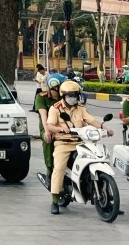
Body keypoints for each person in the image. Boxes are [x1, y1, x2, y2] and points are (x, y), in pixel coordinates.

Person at [45, 79, 113, 215]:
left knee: (97, 159)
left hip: (80, 143)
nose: (73, 98)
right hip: (63, 143)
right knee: (59, 168)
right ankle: (54, 200)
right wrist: (60, 130)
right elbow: (49, 125)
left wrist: (105, 128)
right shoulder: (55, 108)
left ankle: (110, 199)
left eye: (75, 95)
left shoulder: (80, 108)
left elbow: (91, 120)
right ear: (64, 95)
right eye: (70, 95)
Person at [34, 73, 65, 189]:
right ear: (55, 86)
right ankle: (49, 171)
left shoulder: (65, 97)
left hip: (63, 126)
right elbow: (43, 116)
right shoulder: (41, 97)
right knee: (49, 139)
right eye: (62, 85)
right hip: (47, 126)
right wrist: (47, 131)